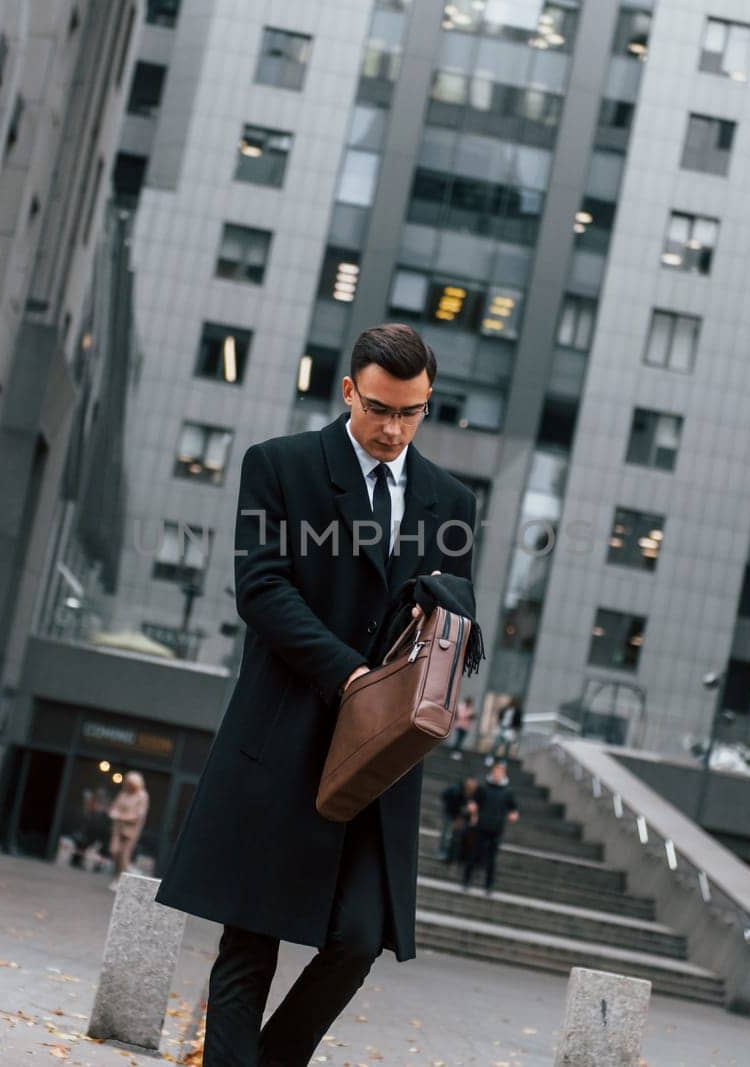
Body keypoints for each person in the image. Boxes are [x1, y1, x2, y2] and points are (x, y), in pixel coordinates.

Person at [155, 325, 478, 1066]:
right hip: (285, 732)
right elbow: (261, 587)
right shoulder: (280, 466)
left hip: (380, 753)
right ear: (347, 392)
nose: (394, 429)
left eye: (412, 412)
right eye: (380, 409)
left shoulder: (449, 500)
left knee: (360, 937)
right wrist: (349, 675)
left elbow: (459, 615)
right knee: (250, 939)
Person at [462, 762, 519, 893]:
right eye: (496, 772)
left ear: (504, 774)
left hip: (496, 829)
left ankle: (488, 886)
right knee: (473, 854)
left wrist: (513, 815)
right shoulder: (483, 788)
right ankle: (466, 881)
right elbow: (473, 802)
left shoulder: (507, 792)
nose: (497, 774)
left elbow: (514, 809)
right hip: (481, 826)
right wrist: (472, 808)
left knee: (492, 859)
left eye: (500, 772)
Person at [107, 773, 149, 876]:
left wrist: (121, 817)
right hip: (118, 828)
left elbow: (139, 815)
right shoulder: (123, 794)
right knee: (114, 850)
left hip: (131, 830)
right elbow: (114, 807)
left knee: (124, 855)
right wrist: (114, 813)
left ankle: (122, 877)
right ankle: (119, 874)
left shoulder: (142, 796)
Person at [63, 789, 112, 871]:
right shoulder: (90, 810)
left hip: (95, 833)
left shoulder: (101, 814)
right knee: (81, 845)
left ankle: (94, 865)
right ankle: (76, 861)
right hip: (88, 833)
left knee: (88, 846)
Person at [437, 777, 477, 863]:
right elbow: (451, 803)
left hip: (455, 813)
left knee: (453, 834)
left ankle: (450, 854)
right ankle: (442, 852)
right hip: (449, 812)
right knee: (446, 832)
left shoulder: (468, 793)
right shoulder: (457, 791)